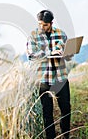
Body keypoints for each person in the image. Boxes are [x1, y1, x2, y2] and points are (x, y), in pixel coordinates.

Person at [26, 10, 72, 139]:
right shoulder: (33, 36)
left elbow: (68, 57)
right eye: (40, 24)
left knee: (66, 109)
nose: (42, 27)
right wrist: (49, 54)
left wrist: (67, 54)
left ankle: (65, 136)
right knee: (47, 112)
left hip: (60, 77)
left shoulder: (61, 34)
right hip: (43, 79)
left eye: (45, 25)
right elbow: (31, 55)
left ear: (51, 23)